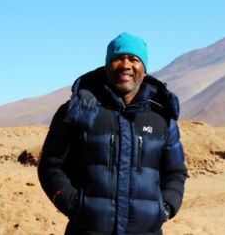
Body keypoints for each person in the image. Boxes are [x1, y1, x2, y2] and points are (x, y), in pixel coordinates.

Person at [38, 32, 187, 235]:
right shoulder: (78, 109)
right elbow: (51, 165)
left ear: (144, 67)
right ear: (107, 64)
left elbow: (175, 171)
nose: (126, 65)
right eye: (118, 58)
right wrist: (75, 205)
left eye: (134, 59)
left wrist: (165, 208)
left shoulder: (161, 116)